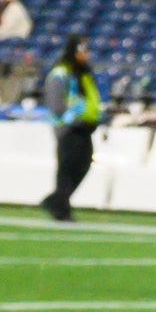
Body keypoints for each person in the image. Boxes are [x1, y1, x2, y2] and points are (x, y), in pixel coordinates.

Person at [38, 34, 98, 221]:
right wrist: (70, 118)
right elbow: (56, 104)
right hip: (68, 127)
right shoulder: (61, 73)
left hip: (85, 126)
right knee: (67, 168)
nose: (85, 54)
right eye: (82, 50)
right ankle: (60, 208)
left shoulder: (84, 72)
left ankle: (55, 201)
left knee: (83, 165)